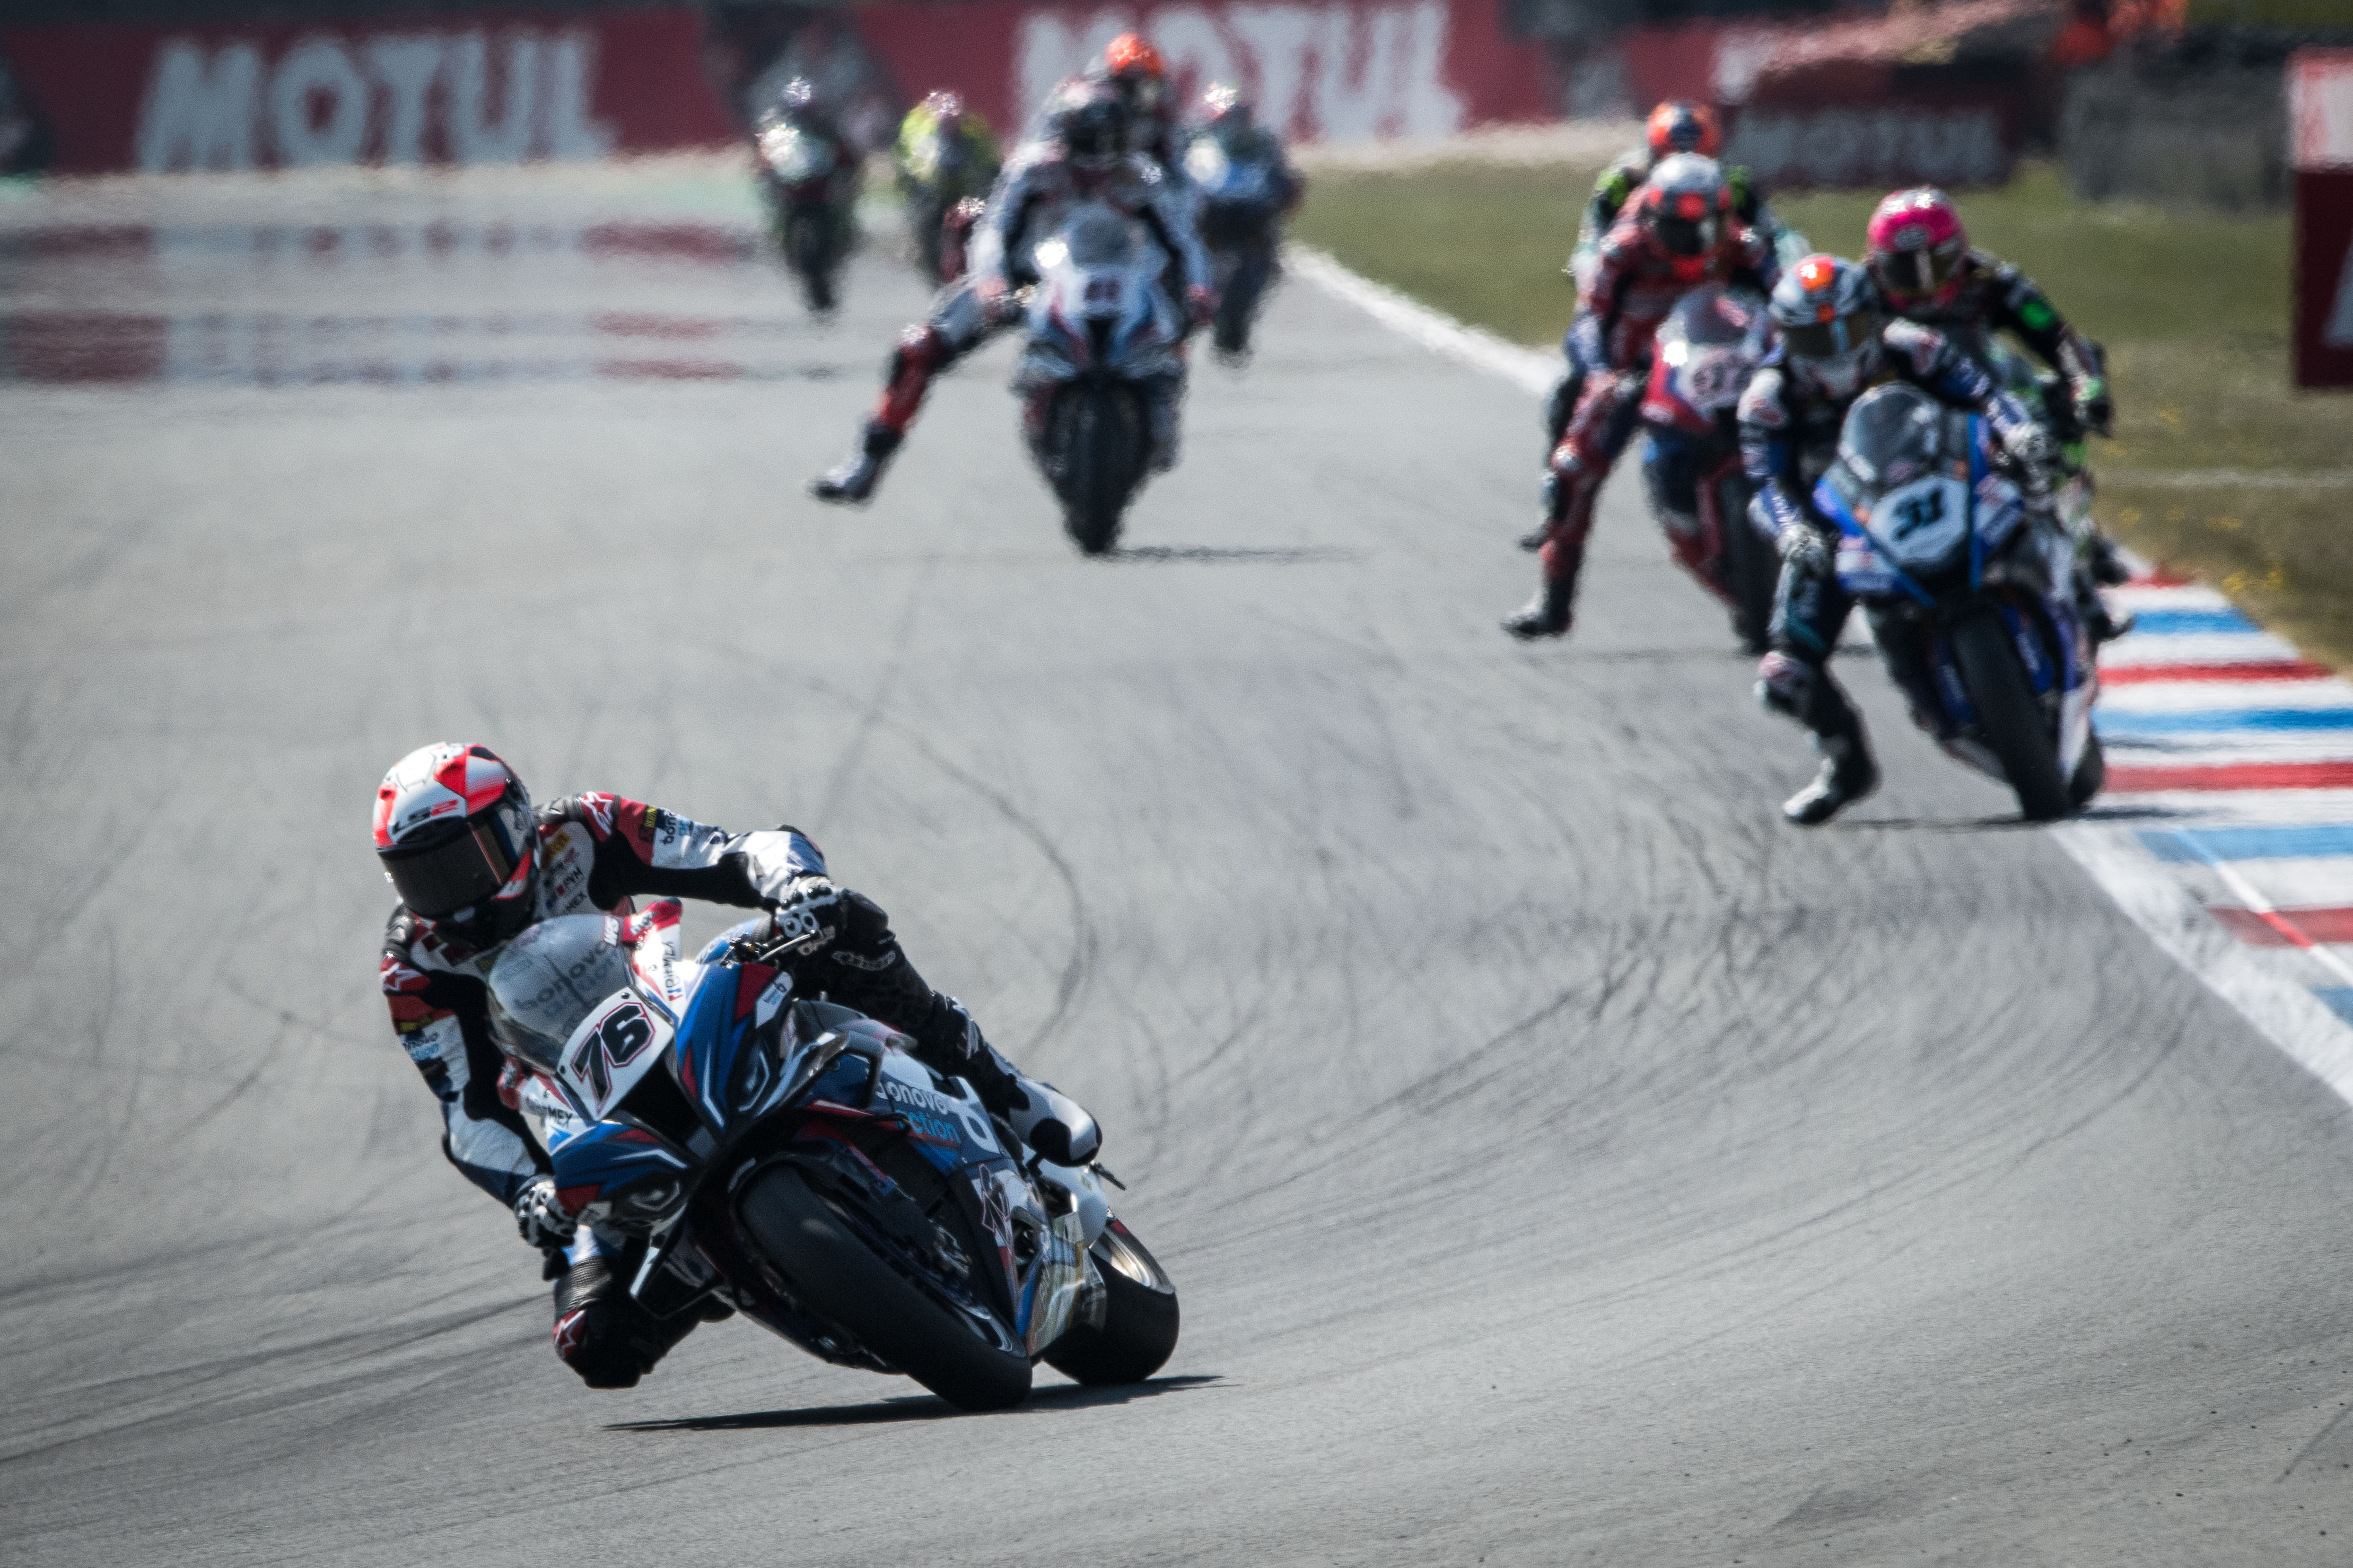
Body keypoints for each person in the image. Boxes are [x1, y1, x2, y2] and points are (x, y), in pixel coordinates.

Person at [374, 742, 1100, 1389]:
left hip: (673, 1004)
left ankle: (1005, 1090)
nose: (451, 897)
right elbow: (467, 1111)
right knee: (595, 1342)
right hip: (590, 1109)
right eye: (421, 878)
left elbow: (733, 849)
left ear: (514, 825)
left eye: (461, 862)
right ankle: (726, 1261)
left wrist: (797, 885)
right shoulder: (414, 965)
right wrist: (531, 1190)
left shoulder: (582, 828)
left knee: (842, 923)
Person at [1738, 255, 2067, 824]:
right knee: (1784, 674)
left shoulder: (1914, 347)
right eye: (1814, 338)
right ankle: (1845, 761)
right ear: (1786, 339)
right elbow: (1766, 485)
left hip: (1945, 479)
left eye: (1848, 329)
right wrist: (1793, 532)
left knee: (2042, 492)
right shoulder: (1768, 399)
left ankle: (2078, 595)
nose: (1835, 349)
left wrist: (2018, 431)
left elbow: (1985, 394)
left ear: (1872, 316)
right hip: (1845, 525)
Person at [810, 79, 1212, 506]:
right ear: (1065, 133)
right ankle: (867, 464)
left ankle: (1160, 418)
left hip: (1120, 282)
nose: (1097, 157)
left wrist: (1200, 287)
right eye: (1087, 139)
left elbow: (1184, 241)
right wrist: (992, 280)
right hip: (1029, 285)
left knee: (1169, 334)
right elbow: (995, 230)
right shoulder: (1033, 170)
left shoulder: (1142, 177)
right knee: (918, 348)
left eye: (1109, 139)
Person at [1504, 154, 1777, 639]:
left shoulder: (1746, 246)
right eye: (1678, 228)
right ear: (1652, 218)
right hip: (1634, 375)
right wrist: (1602, 373)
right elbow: (1588, 323)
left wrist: (1781, 353)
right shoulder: (1622, 250)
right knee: (1573, 469)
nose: (1695, 241)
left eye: (1705, 226)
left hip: (1717, 368)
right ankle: (1553, 598)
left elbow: (1786, 305)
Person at [1863, 185, 2127, 586]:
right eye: (1904, 271)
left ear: (1959, 253)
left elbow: (2056, 335)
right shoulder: (1857, 295)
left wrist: (2084, 385)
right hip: (1900, 421)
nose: (1923, 285)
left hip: (1990, 410)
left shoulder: (1991, 280)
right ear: (1877, 266)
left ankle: (2072, 532)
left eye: (1935, 265)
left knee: (2057, 408)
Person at [1534, 100, 1797, 482]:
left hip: (1713, 296)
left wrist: (1778, 273)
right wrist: (1592, 273)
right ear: (1652, 153)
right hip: (1640, 297)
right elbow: (1591, 241)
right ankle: (1564, 472)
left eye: (1697, 157)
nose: (1684, 169)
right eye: (1671, 157)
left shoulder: (1736, 185)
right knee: (1580, 376)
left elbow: (1778, 239)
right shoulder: (1621, 182)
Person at [1184, 82, 1303, 360]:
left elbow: (1284, 181)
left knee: (1269, 261)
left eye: (1238, 119)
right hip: (1211, 214)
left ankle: (1248, 299)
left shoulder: (1264, 144)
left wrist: (1284, 193)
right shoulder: (1192, 142)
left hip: (1251, 214)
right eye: (1226, 119)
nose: (1233, 127)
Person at [894, 90, 1002, 280]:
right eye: (947, 120)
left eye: (955, 119)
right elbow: (912, 168)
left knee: (978, 227)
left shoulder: (974, 131)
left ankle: (972, 271)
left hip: (966, 195)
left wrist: (987, 190)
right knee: (926, 229)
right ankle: (932, 268)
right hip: (932, 195)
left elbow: (990, 164)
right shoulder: (922, 133)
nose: (952, 124)